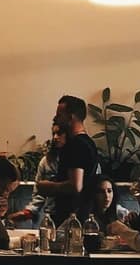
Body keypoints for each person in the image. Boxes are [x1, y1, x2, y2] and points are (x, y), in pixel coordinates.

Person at [37, 95, 101, 223]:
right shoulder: (89, 143)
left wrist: (49, 187)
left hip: (70, 218)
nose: (56, 118)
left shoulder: (75, 145)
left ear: (71, 117)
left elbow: (75, 185)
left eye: (59, 115)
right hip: (83, 213)